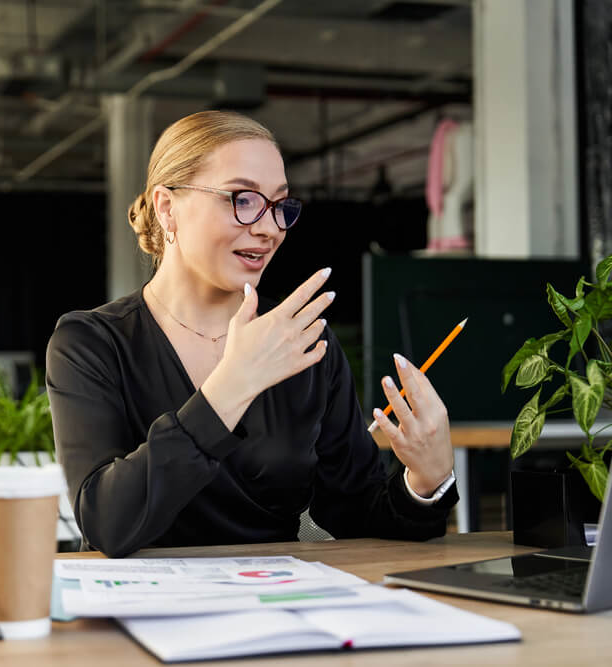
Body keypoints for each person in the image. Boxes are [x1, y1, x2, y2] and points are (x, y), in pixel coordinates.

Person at [45, 110, 458, 558]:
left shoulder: (302, 342)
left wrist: (426, 479)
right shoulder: (90, 343)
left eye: (279, 205)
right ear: (167, 208)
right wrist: (229, 388)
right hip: (134, 612)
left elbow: (358, 512)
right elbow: (107, 521)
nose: (268, 228)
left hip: (274, 603)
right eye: (242, 199)